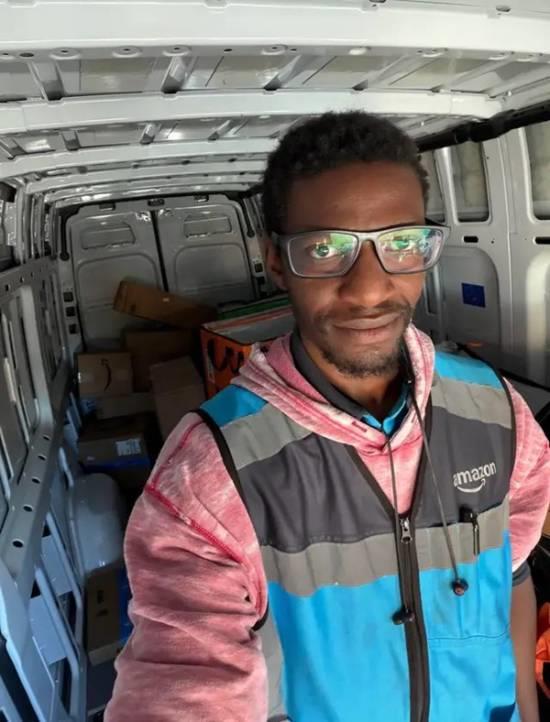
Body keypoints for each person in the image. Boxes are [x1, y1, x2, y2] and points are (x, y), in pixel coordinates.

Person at [105, 112, 550, 722]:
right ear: (275, 260)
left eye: (401, 244)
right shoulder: (210, 474)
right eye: (325, 249)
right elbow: (183, 678)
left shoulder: (498, 410)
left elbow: (513, 576)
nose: (369, 290)